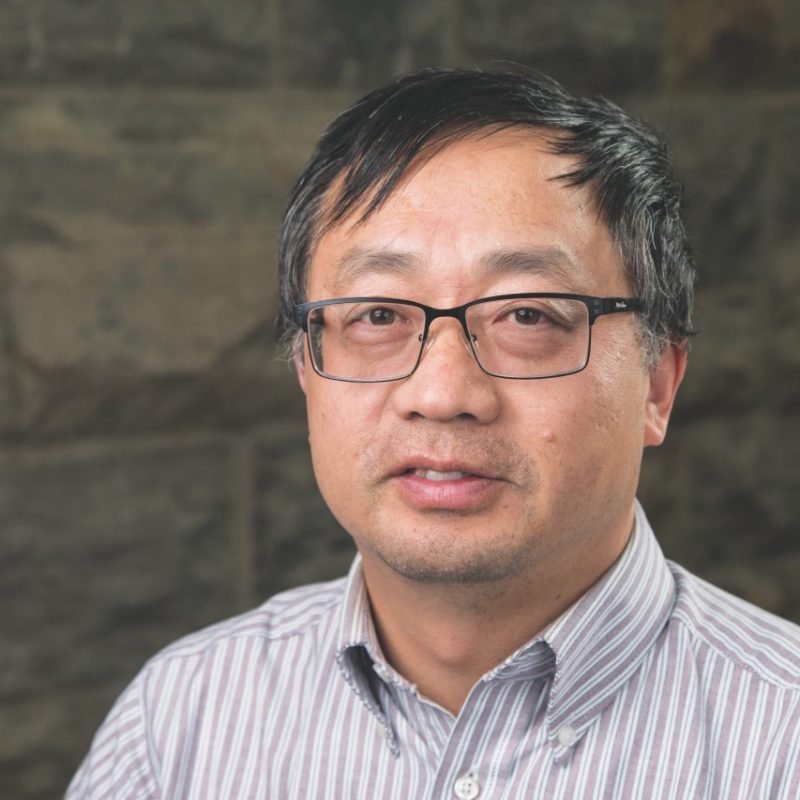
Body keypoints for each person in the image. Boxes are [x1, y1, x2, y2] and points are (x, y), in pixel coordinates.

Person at [67, 67, 800, 799]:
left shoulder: (781, 738)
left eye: (527, 315)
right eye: (378, 316)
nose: (442, 394)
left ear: (659, 384)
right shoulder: (180, 723)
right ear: (305, 370)